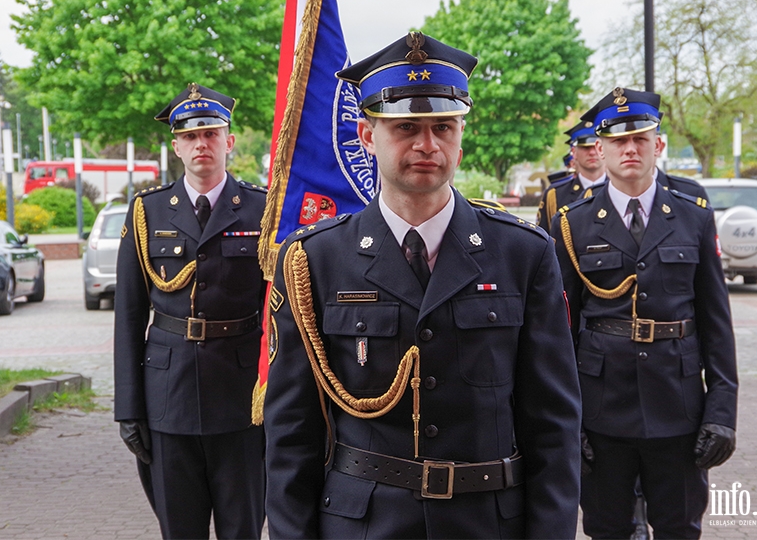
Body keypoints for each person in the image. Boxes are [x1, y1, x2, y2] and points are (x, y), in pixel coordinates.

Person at [262, 32, 583, 539]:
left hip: (488, 522)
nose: (427, 145)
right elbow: (291, 432)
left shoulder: (524, 253)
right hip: (363, 525)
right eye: (406, 127)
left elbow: (554, 423)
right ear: (368, 136)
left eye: (444, 127)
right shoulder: (314, 259)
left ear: (461, 135)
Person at [552, 87, 738, 539]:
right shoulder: (573, 223)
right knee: (606, 527)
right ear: (600, 148)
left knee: (680, 527)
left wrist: (722, 413)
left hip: (678, 407)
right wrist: (566, 421)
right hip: (602, 411)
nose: (629, 149)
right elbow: (559, 332)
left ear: (658, 145)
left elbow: (716, 322)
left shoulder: (693, 216)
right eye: (618, 141)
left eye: (640, 138)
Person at [113, 83, 268, 539]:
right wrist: (129, 406)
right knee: (179, 529)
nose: (203, 144)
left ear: (230, 142)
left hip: (242, 399)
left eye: (212, 134)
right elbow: (128, 314)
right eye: (192, 136)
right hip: (168, 397)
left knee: (242, 528)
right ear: (177, 145)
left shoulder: (263, 209)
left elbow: (280, 312)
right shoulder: (147, 212)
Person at [537, 120, 607, 234]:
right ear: (574, 152)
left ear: (602, 149)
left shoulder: (623, 188)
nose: (592, 153)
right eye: (585, 148)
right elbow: (543, 238)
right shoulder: (555, 194)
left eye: (596, 147)